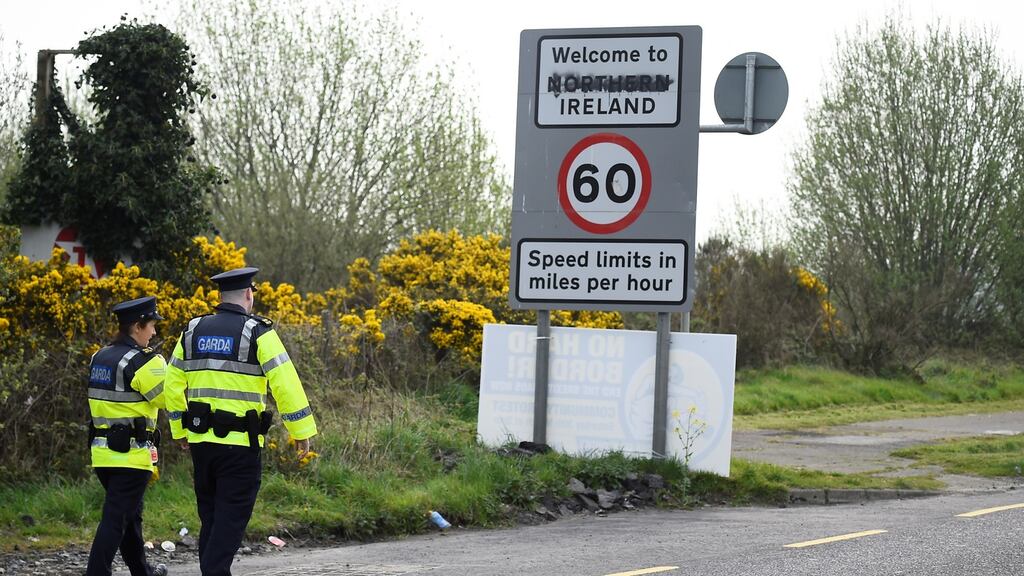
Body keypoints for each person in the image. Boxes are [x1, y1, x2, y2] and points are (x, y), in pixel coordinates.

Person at [165, 267, 317, 576]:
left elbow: (172, 383)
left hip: (201, 445)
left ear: (220, 296)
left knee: (212, 520)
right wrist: (300, 431)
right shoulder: (258, 332)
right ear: (248, 295)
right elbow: (286, 384)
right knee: (229, 524)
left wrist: (179, 429)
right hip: (239, 448)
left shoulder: (192, 330)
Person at [86, 296, 169, 576]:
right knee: (116, 518)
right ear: (137, 326)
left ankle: (142, 571)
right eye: (152, 326)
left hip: (102, 453)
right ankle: (96, 572)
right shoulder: (143, 361)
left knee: (129, 516)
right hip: (131, 456)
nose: (154, 333)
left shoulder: (100, 356)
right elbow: (169, 399)